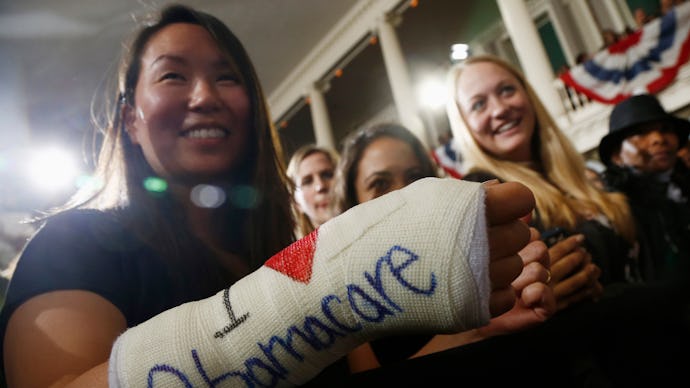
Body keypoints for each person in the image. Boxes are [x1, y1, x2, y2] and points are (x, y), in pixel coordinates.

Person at [0, 5, 546, 387]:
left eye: (227, 77)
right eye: (172, 77)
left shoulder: (294, 251)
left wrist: (481, 329)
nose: (205, 96)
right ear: (130, 119)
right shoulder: (76, 244)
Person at [445, 54, 690, 385]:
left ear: (528, 97)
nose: (499, 108)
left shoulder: (585, 176)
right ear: (464, 124)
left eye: (506, 90)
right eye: (478, 104)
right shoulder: (483, 195)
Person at [327, 122, 553, 376]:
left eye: (414, 176)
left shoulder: (475, 255)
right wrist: (477, 331)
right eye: (380, 182)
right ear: (352, 202)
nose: (403, 192)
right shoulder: (344, 296)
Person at [598, 93, 690, 284]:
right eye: (640, 133)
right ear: (617, 156)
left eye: (665, 129)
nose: (658, 139)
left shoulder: (681, 188)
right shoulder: (615, 212)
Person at [286, 144, 338, 238]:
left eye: (327, 175)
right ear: (296, 203)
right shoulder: (296, 252)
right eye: (307, 182)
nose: (320, 186)